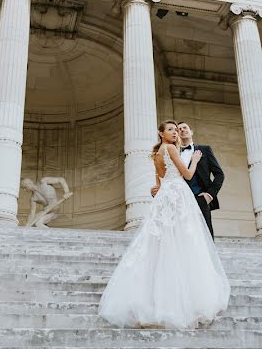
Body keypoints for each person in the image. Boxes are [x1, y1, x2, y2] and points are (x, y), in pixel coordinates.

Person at [98, 120, 230, 329]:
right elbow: (187, 174)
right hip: (178, 195)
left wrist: (159, 189)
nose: (176, 132)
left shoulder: (158, 153)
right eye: (171, 130)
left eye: (177, 130)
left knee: (162, 242)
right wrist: (194, 161)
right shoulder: (170, 148)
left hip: (165, 196)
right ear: (161, 134)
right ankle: (188, 295)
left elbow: (159, 181)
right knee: (184, 238)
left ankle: (155, 296)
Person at [152, 121, 224, 238]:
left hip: (199, 198)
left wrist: (209, 195)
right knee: (180, 237)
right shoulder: (172, 150)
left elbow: (219, 174)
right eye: (177, 129)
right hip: (176, 200)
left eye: (184, 128)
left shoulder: (205, 150)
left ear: (191, 132)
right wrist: (156, 190)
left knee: (204, 238)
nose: (181, 130)